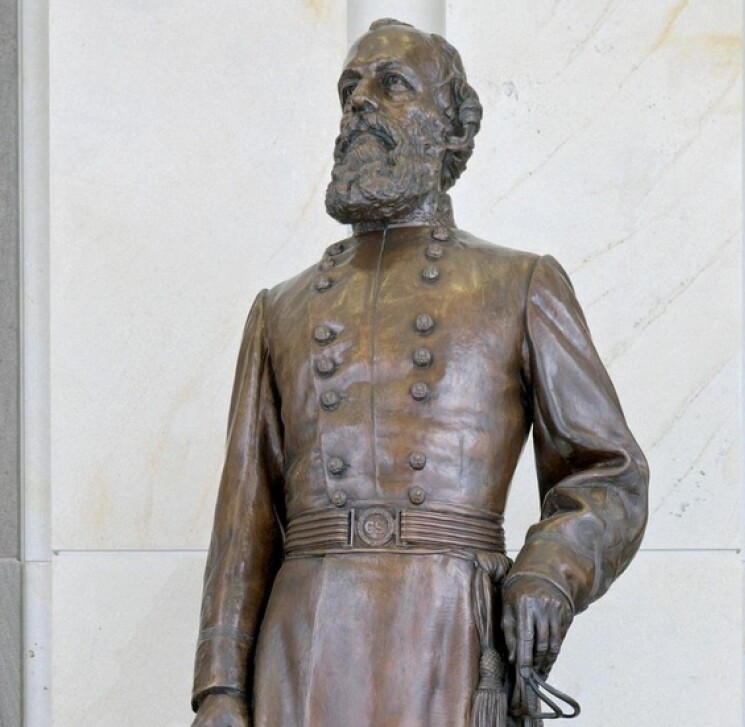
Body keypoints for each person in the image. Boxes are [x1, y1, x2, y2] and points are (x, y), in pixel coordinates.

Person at [191, 18, 648, 727]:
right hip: (304, 639)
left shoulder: (517, 283)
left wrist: (549, 570)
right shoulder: (278, 309)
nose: (360, 104)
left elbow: (609, 472)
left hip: (450, 634)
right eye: (349, 89)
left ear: (452, 129)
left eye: (391, 83)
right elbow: (243, 517)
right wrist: (220, 687)